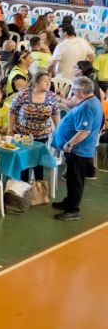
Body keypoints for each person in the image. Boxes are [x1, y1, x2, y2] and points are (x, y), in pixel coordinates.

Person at [52, 76, 103, 221]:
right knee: (71, 178)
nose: (72, 92)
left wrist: (70, 144)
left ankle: (73, 209)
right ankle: (69, 202)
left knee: (75, 180)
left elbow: (84, 131)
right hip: (78, 150)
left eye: (74, 90)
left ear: (81, 91)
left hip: (78, 150)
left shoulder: (88, 106)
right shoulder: (90, 100)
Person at [8, 75, 61, 182]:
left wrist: (58, 131)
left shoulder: (51, 97)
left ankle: (38, 188)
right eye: (45, 81)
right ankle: (23, 186)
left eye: (49, 81)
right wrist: (10, 129)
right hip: (23, 134)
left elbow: (55, 114)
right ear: (36, 82)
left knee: (38, 161)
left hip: (42, 135)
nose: (48, 84)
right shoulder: (23, 95)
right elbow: (12, 111)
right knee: (24, 160)